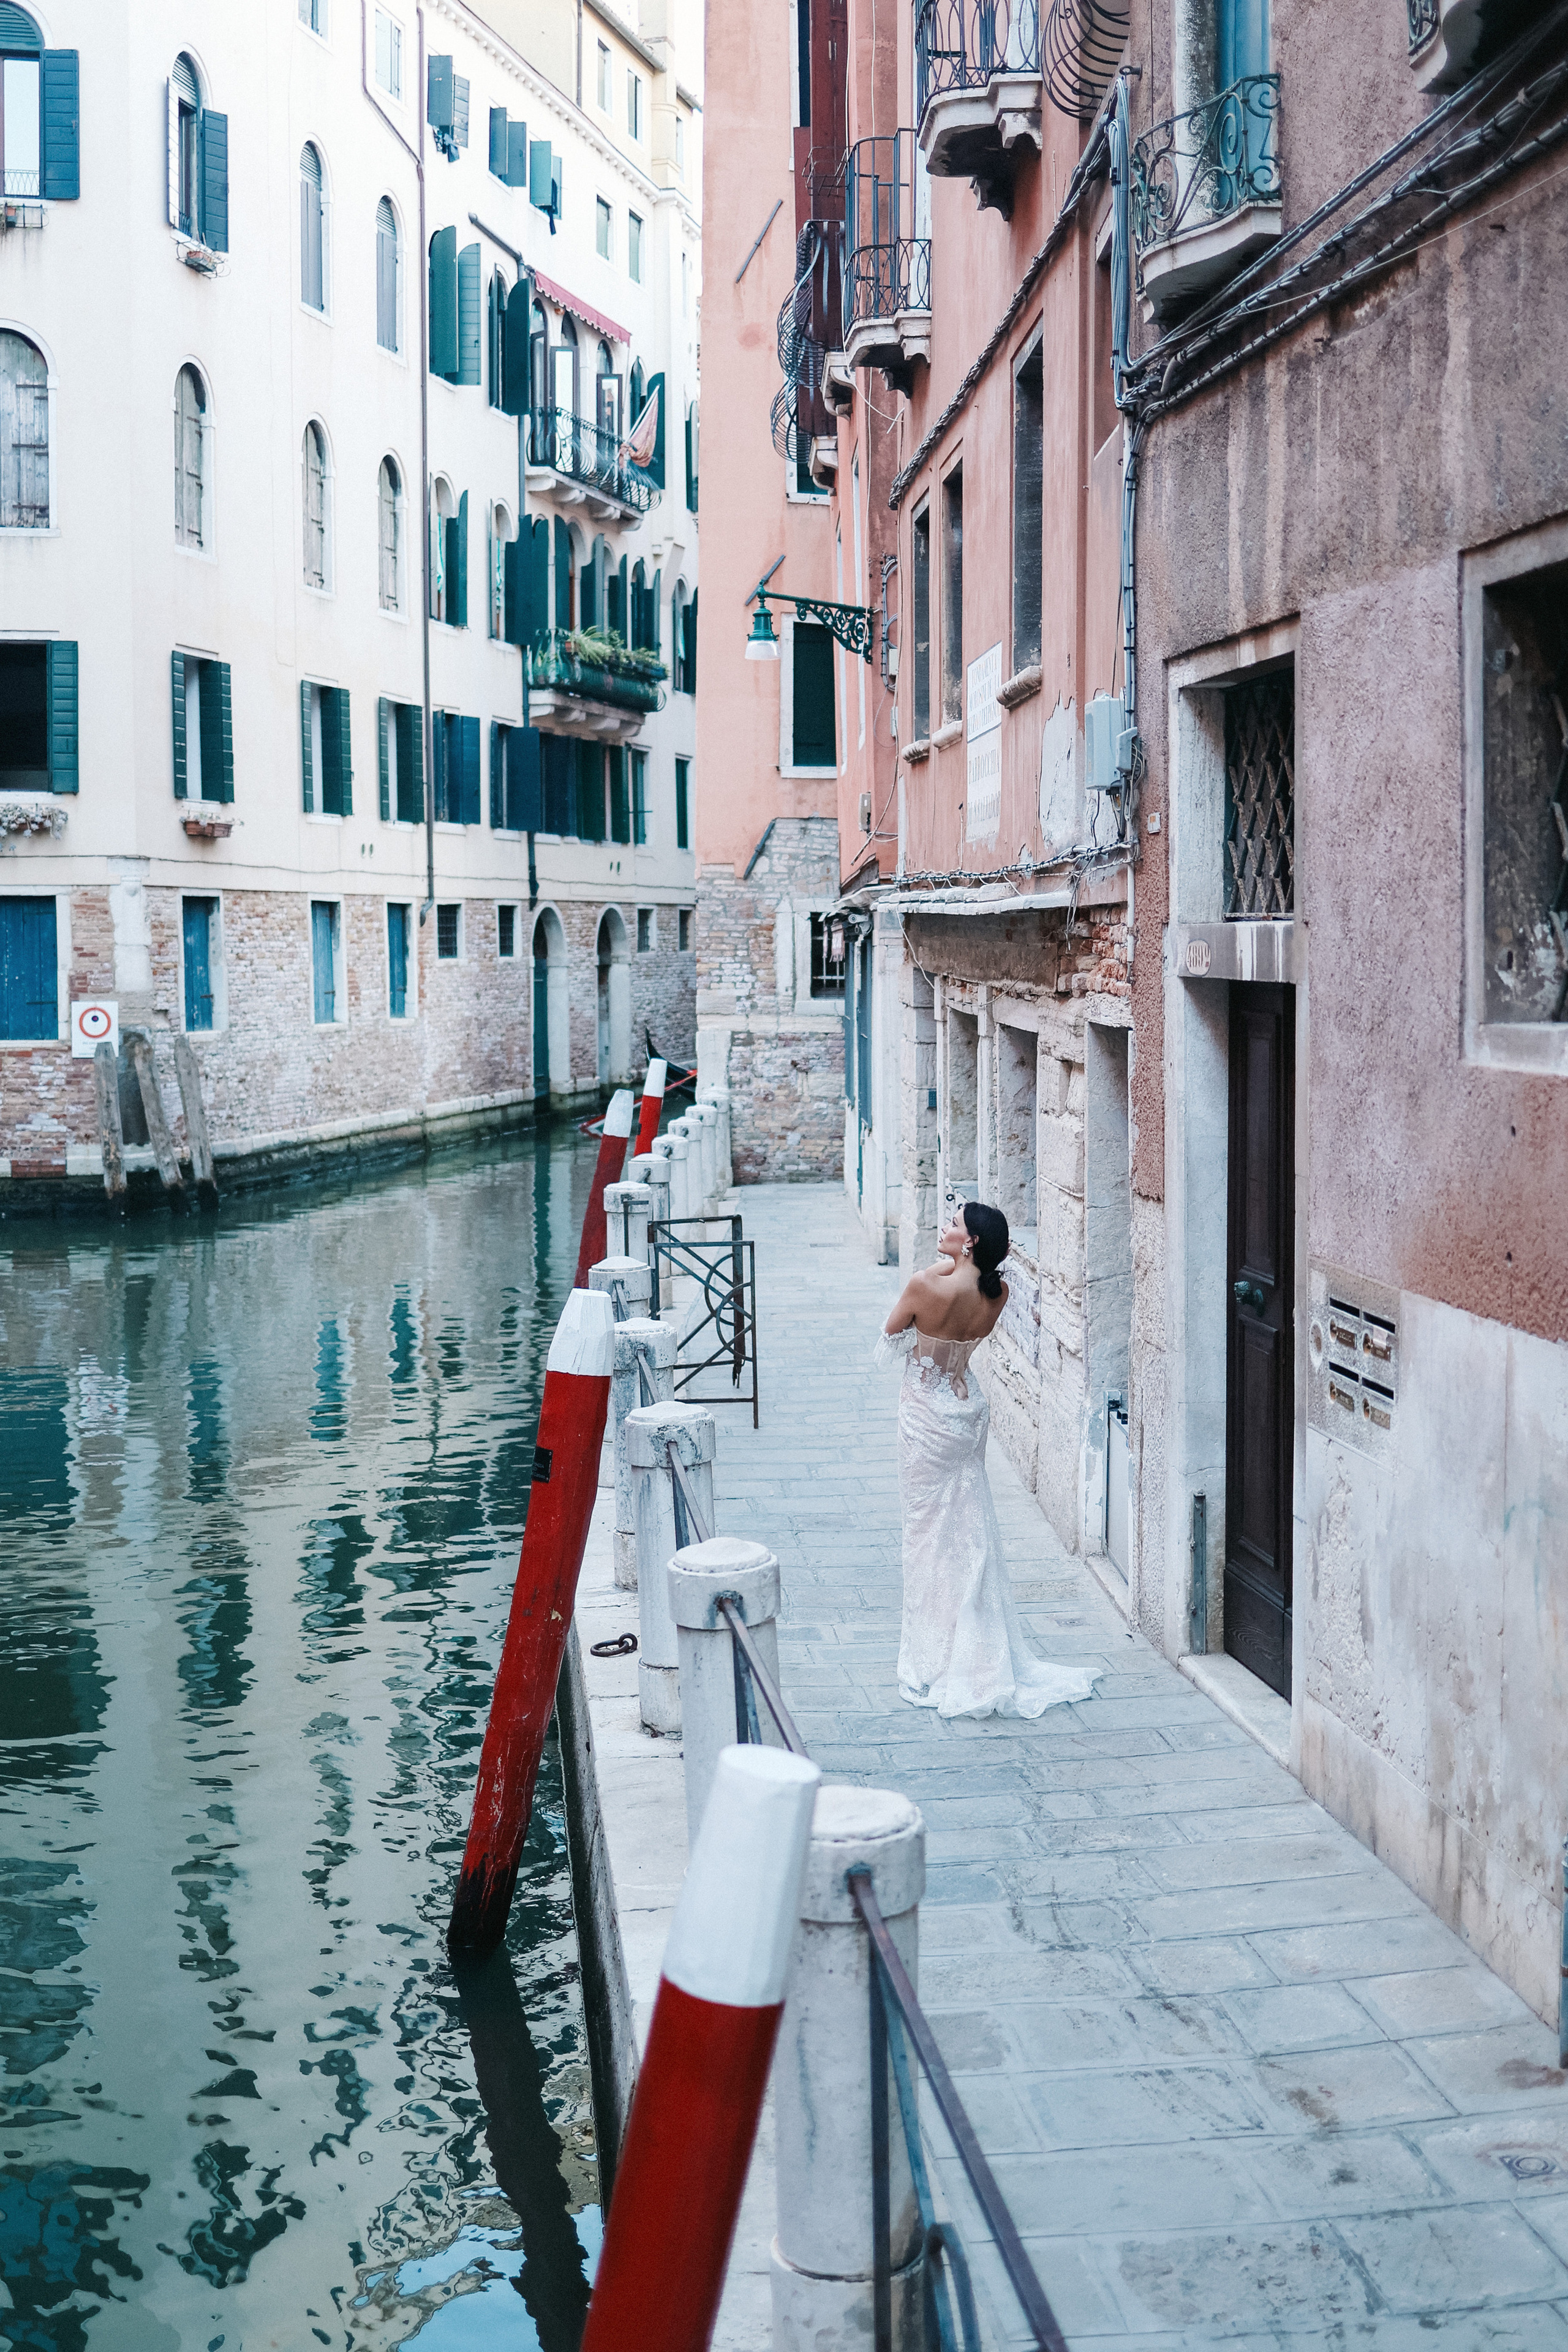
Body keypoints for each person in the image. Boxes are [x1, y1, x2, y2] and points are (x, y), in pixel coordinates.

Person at [876, 1201, 1099, 1719]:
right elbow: (964, 1337)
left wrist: (933, 1277)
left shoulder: (925, 1285)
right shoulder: (998, 1295)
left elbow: (890, 1342)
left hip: (926, 1416)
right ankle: (977, 1638)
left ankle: (935, 1654)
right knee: (969, 1524)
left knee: (926, 1532)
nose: (947, 1228)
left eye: (954, 1224)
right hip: (967, 1410)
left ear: (971, 1241)